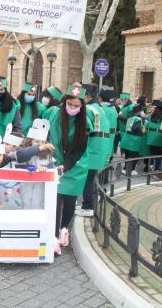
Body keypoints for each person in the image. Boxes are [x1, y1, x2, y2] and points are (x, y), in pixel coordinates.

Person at [52, 85, 89, 256]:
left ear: (81, 107)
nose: (72, 108)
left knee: (69, 201)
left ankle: (64, 229)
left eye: (76, 106)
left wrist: (66, 165)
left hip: (76, 165)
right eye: (70, 104)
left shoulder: (84, 122)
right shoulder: (56, 115)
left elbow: (79, 149)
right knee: (55, 199)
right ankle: (52, 236)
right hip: (55, 162)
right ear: (65, 102)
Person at [79, 84, 110, 217]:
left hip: (92, 146)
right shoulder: (99, 108)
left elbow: (84, 129)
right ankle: (90, 204)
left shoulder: (88, 109)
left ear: (87, 95)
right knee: (91, 177)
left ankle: (87, 207)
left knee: (88, 178)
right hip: (101, 147)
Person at [145, 100, 162, 172]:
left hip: (150, 138)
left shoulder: (150, 116)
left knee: (153, 154)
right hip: (161, 139)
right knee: (161, 155)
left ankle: (150, 168)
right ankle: (158, 170)